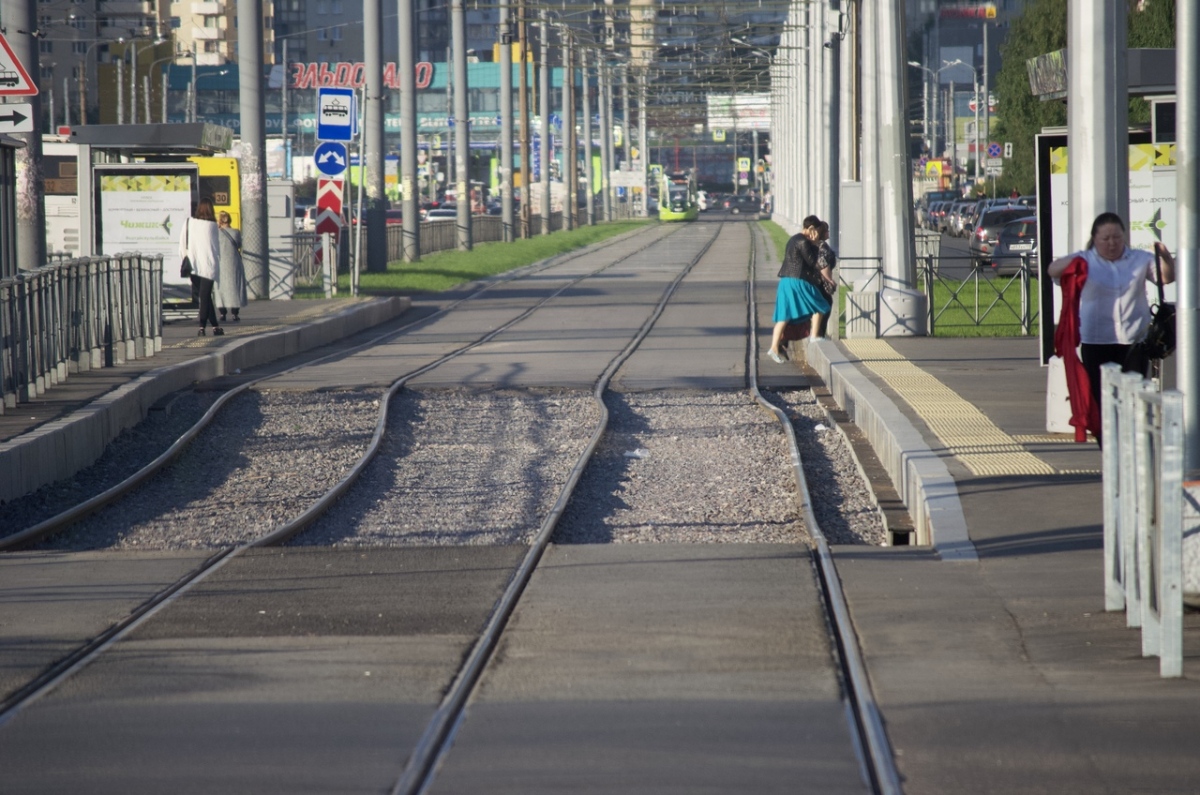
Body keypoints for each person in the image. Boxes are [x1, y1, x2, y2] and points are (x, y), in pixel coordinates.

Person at [1048, 211, 1175, 429]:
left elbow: (1166, 278)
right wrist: (1075, 262)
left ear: (1124, 236)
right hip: (1097, 341)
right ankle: (1108, 448)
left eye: (1116, 237)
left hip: (1134, 341)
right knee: (1100, 401)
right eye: (1105, 239)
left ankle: (1130, 446)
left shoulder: (1139, 259)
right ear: (1095, 239)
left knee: (1132, 397)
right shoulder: (1085, 260)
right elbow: (1053, 270)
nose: (1112, 243)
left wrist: (1165, 257)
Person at [767, 216, 833, 363]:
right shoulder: (803, 241)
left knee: (784, 316)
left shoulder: (793, 239)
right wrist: (815, 243)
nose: (815, 233)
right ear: (811, 229)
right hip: (797, 281)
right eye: (815, 230)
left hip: (786, 281)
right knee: (821, 305)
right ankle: (815, 336)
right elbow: (813, 262)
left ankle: (774, 347)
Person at [180, 197, 223, 336]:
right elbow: (217, 248)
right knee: (206, 296)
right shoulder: (213, 226)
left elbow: (182, 244)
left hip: (193, 265)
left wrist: (185, 258)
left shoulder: (189, 223)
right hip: (209, 266)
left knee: (204, 297)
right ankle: (202, 327)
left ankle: (215, 326)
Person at [216, 211, 247, 324]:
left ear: (219, 220)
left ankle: (222, 312)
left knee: (221, 288)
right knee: (235, 286)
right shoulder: (236, 232)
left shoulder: (217, 233)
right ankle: (235, 313)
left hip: (221, 263)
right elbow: (238, 245)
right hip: (234, 262)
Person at [812, 220, 837, 337]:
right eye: (827, 230)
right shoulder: (823, 246)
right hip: (821, 282)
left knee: (821, 306)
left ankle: (817, 333)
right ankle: (819, 334)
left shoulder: (814, 244)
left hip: (814, 281)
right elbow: (822, 265)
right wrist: (829, 280)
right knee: (826, 305)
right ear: (823, 232)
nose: (829, 233)